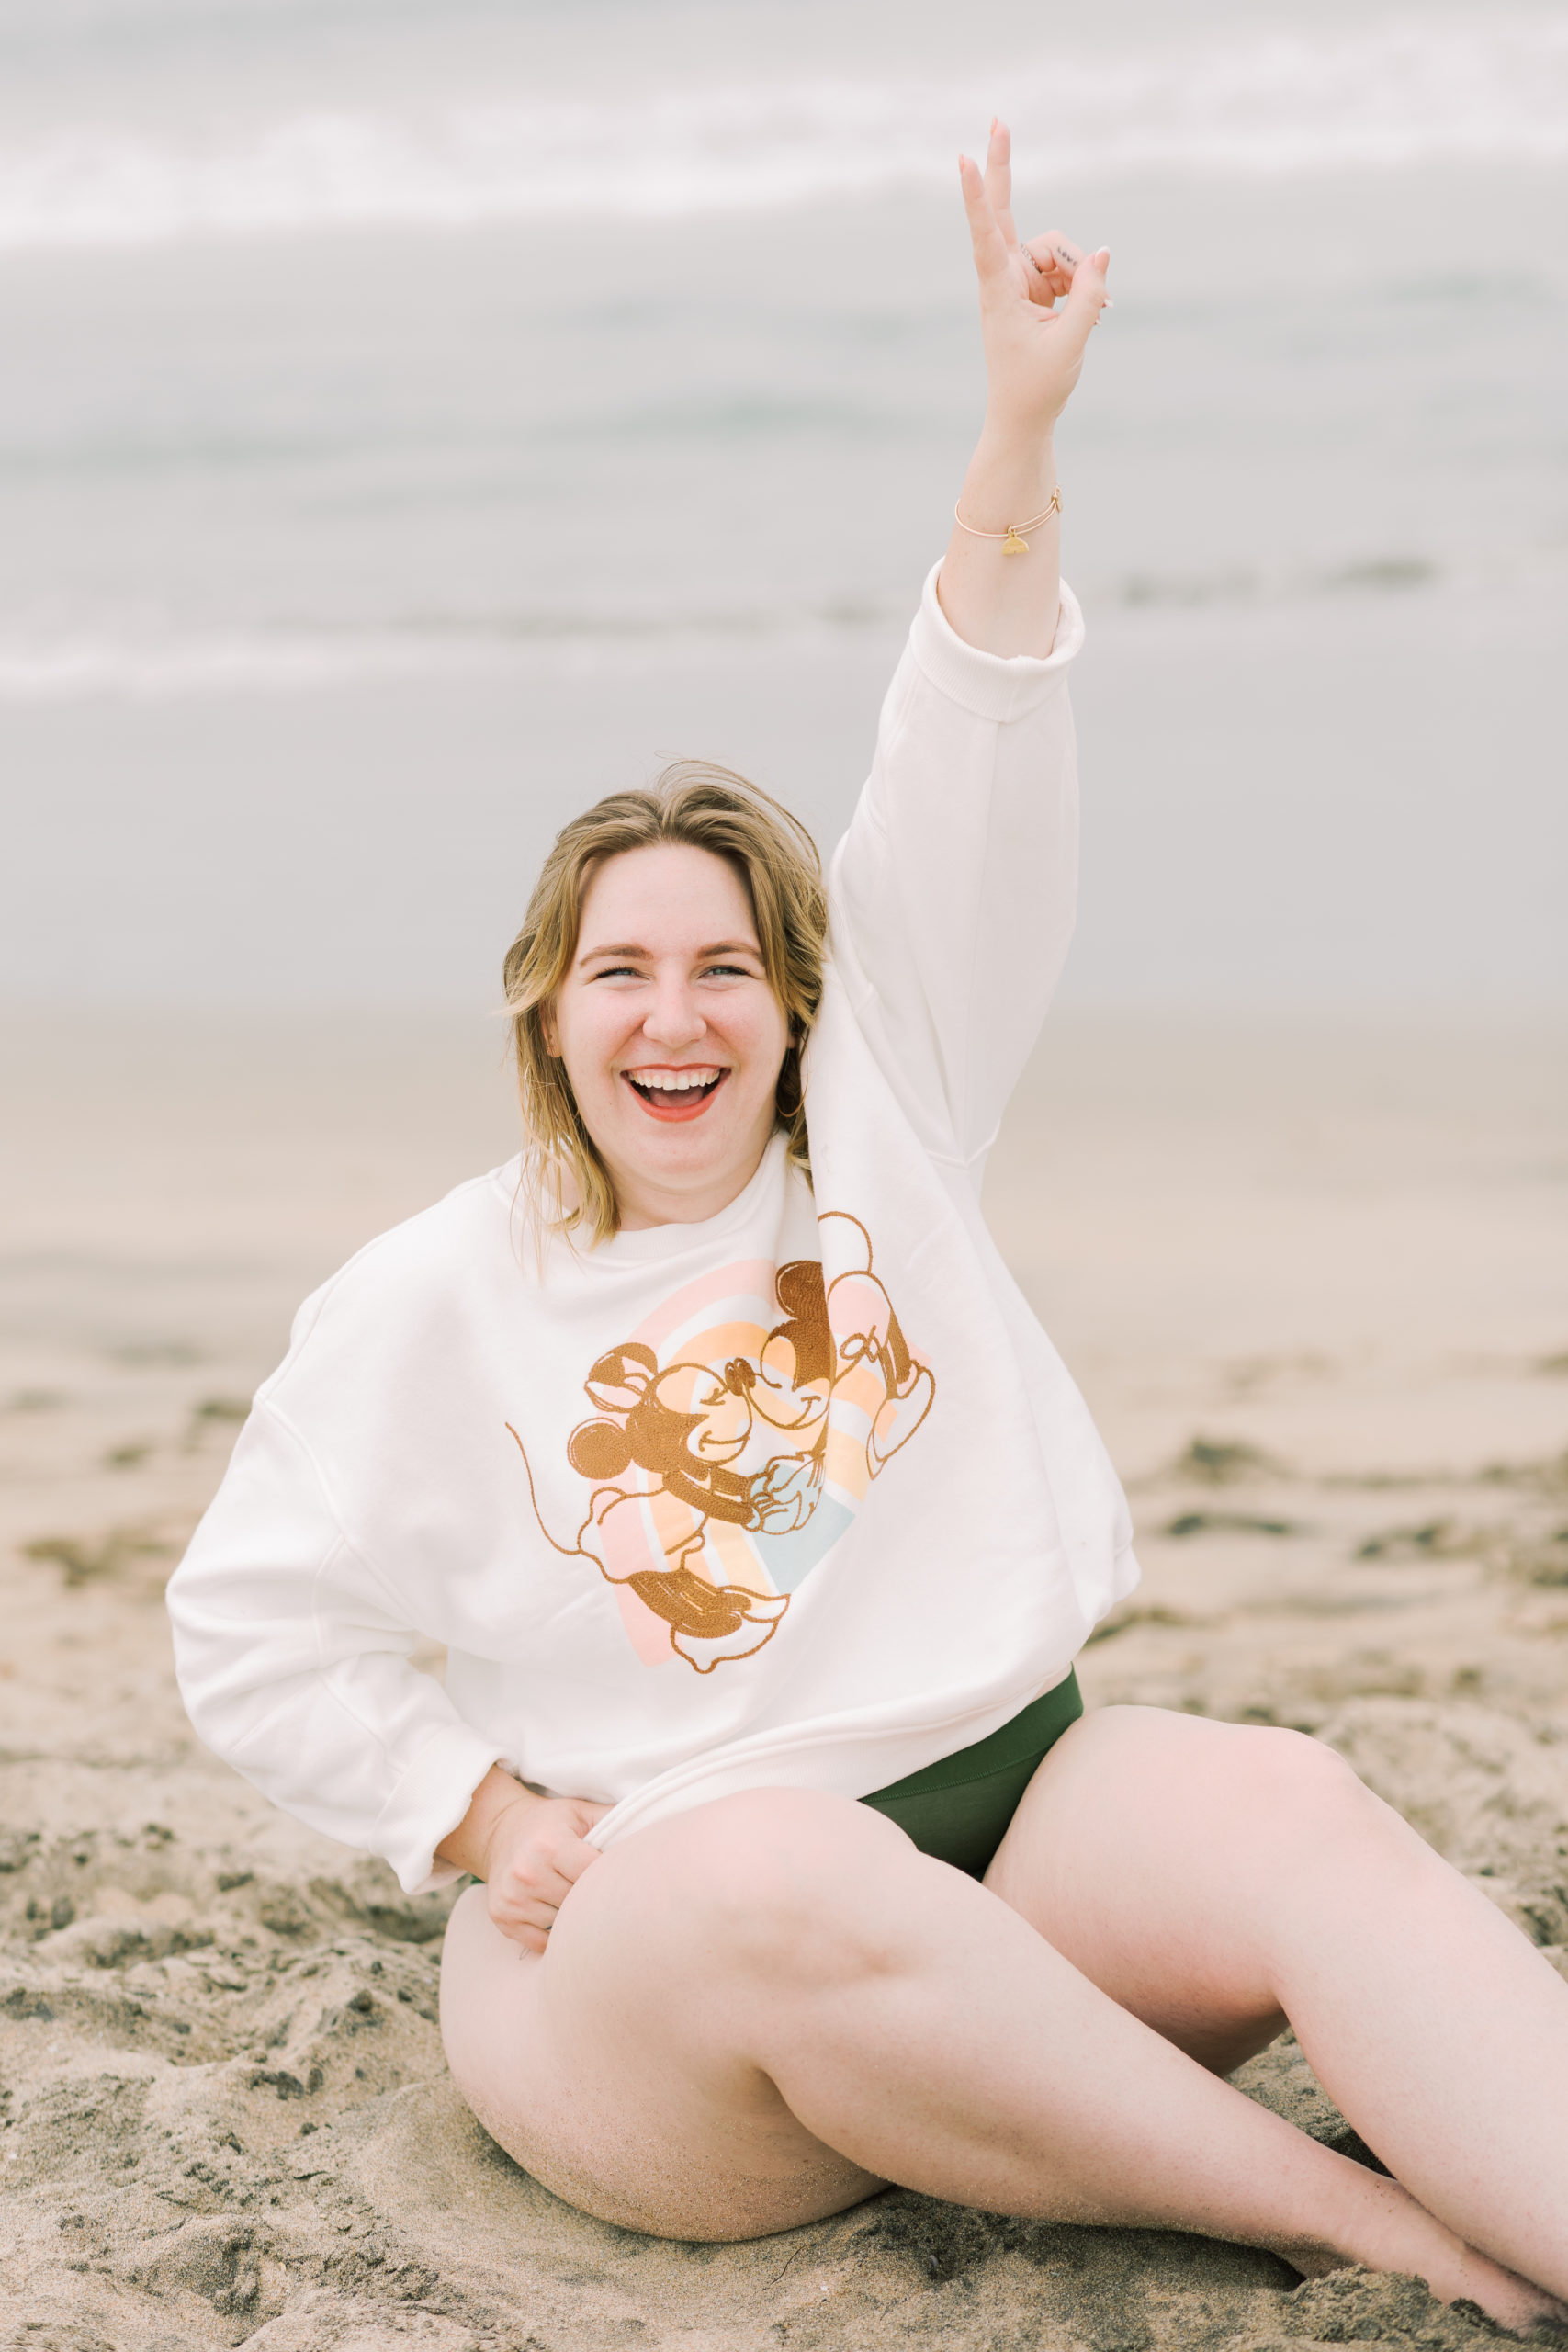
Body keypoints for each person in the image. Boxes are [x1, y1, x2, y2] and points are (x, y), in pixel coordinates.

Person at [165, 126, 1568, 2328]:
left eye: (724, 963)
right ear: (548, 1007)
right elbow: (248, 1622)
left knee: (1288, 1798)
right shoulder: (433, 1295)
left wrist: (1013, 434)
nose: (676, 1009)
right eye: (620, 967)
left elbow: (971, 727)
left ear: (796, 1002)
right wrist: (469, 1814)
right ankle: (1354, 2214)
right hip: (672, 1993)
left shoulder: (884, 1116)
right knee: (782, 1864)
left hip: (1020, 1859)